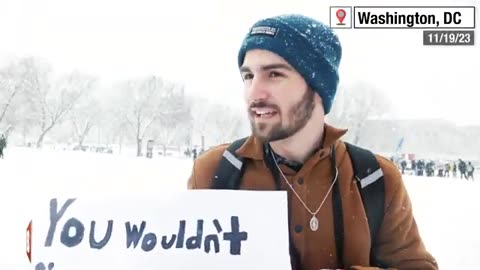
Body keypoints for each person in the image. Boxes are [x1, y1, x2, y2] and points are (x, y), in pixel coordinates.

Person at [187, 14, 438, 270]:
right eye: (248, 76)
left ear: (318, 88)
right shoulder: (215, 173)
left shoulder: (375, 178)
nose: (254, 92)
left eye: (274, 74)